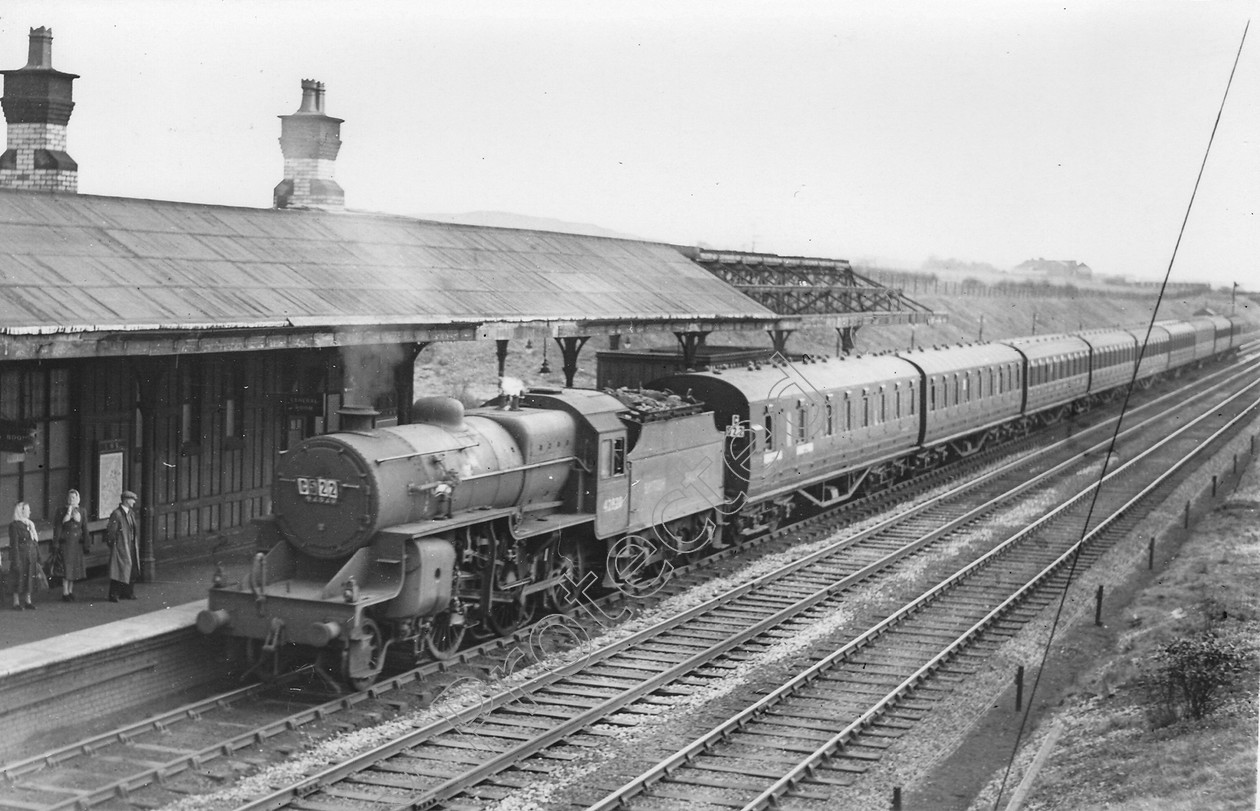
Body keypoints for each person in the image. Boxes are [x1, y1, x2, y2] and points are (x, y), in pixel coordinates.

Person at [52, 489, 89, 602]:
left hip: (76, 543)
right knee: (66, 567)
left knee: (74, 567)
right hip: (66, 543)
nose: (71, 499)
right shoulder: (61, 510)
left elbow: (85, 527)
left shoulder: (82, 511)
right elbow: (58, 527)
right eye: (69, 497)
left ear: (77, 498)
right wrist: (56, 543)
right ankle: (65, 592)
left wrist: (86, 544)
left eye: (73, 497)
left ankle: (70, 590)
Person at [105, 490, 141, 602]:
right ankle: (114, 594)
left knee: (131, 568)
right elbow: (111, 532)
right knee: (118, 570)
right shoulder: (117, 514)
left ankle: (128, 592)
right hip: (121, 546)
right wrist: (114, 545)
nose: (134, 502)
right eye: (132, 500)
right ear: (126, 500)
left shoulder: (130, 513)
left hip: (131, 545)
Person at [8, 501, 41, 610]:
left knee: (29, 577)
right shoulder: (14, 525)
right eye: (27, 510)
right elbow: (14, 544)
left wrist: (38, 555)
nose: (30, 512)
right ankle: (16, 603)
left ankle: (28, 601)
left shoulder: (29, 524)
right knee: (18, 578)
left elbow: (34, 541)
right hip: (21, 556)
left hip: (30, 555)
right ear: (21, 511)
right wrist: (16, 560)